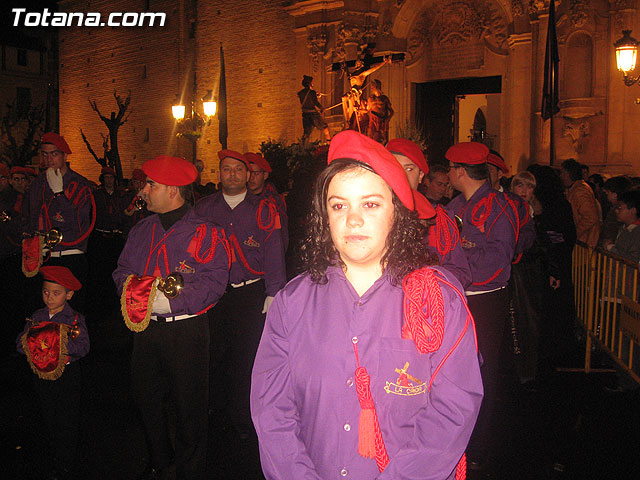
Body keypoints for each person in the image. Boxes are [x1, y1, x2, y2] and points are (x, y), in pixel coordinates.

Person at [251, 130, 482, 480]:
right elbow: (272, 412)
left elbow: (452, 411)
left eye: (370, 204)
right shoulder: (292, 304)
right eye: (339, 205)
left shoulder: (439, 302)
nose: (352, 219)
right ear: (324, 217)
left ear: (397, 213)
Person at [113, 155, 230, 480]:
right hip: (145, 329)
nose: (144, 191)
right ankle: (161, 462)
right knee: (146, 400)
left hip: (186, 333)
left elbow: (214, 281)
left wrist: (167, 302)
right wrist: (136, 295)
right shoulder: (141, 230)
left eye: (150, 184)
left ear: (173, 189)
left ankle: (191, 470)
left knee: (189, 408)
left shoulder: (206, 231)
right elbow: (121, 271)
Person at [194, 149, 286, 440]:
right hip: (214, 294)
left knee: (247, 358)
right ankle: (215, 413)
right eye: (226, 169)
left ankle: (243, 417)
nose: (232, 174)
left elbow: (274, 252)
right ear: (218, 174)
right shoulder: (204, 209)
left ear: (248, 175)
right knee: (214, 354)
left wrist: (274, 293)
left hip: (250, 294)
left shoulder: (264, 209)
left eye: (238, 169)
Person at [446, 142, 519, 472]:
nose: (448, 175)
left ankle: (478, 446)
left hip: (485, 299)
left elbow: (498, 261)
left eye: (450, 169)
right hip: (458, 296)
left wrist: (459, 261)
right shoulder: (455, 205)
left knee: (481, 372)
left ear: (461, 171)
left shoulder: (497, 206)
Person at [16, 266, 89, 480]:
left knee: (67, 421)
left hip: (68, 377)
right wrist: (34, 342)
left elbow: (84, 347)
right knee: (48, 418)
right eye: (46, 292)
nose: (49, 298)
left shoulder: (74, 319)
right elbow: (19, 345)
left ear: (69, 294)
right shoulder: (36, 316)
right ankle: (53, 458)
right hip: (42, 377)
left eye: (56, 293)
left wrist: (56, 344)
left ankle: (66, 465)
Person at [23, 133, 96, 311]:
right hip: (44, 258)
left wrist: (59, 194)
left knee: (72, 316)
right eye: (45, 154)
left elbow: (79, 226)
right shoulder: (37, 184)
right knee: (43, 316)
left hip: (71, 256)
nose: (49, 159)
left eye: (54, 154)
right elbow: (29, 218)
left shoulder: (79, 184)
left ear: (64, 155)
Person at [386, 137, 471, 288]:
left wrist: (429, 280)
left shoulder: (439, 218)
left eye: (409, 169)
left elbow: (460, 272)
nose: (401, 175)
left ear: (420, 177)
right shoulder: (368, 213)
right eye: (394, 166)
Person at [245, 152, 289, 252]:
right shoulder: (240, 199)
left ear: (265, 175)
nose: (251, 178)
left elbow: (282, 236)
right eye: (249, 173)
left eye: (256, 173)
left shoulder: (274, 201)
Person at [560, 159, 601, 247]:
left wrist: (574, 233)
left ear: (567, 174)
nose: (561, 176)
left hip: (585, 241)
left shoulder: (580, 191)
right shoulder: (575, 189)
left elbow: (590, 217)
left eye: (562, 173)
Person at [606, 190, 640, 263]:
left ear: (633, 211)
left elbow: (633, 259)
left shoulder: (637, 232)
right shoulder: (624, 228)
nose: (616, 211)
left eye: (620, 208)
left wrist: (610, 247)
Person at [600, 176, 632, 248]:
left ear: (615, 195)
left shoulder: (617, 211)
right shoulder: (619, 209)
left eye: (607, 193)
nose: (606, 196)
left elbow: (611, 228)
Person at [297, 75, 331, 143]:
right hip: (313, 114)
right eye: (312, 82)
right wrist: (321, 108)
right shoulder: (312, 93)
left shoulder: (300, 93)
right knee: (325, 127)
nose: (313, 84)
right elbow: (315, 102)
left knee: (307, 132)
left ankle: (303, 145)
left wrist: (315, 95)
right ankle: (329, 141)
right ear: (309, 83)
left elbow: (308, 99)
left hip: (305, 114)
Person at [366, 79, 394, 144]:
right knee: (370, 135)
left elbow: (391, 111)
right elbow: (367, 109)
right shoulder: (370, 99)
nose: (371, 89)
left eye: (372, 87)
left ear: (377, 87)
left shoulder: (384, 99)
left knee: (384, 138)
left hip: (382, 120)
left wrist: (388, 119)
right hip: (373, 120)